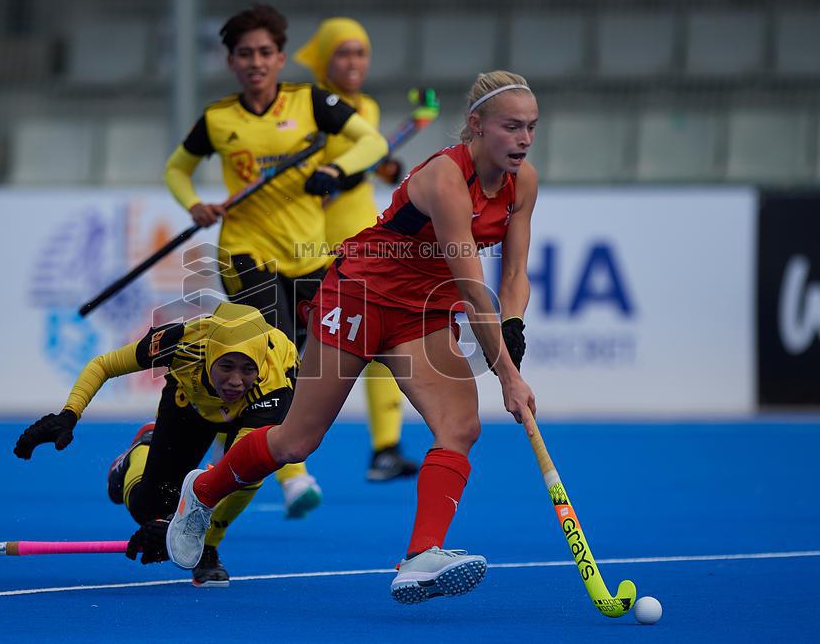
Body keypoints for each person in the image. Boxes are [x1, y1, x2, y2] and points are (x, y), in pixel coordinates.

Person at [162, 70, 540, 604]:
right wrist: (508, 374)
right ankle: (200, 493)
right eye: (511, 127)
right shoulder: (445, 180)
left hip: (419, 313)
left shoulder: (523, 182)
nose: (523, 140)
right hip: (358, 294)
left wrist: (513, 327)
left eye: (531, 128)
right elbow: (472, 286)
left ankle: (419, 558)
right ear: (476, 126)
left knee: (460, 426)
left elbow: (514, 275)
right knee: (296, 440)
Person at [163, 4, 388, 516]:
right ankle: (293, 475)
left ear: (281, 58)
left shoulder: (311, 102)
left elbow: (371, 142)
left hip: (308, 255)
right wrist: (194, 204)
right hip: (244, 252)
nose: (256, 62)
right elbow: (176, 170)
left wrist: (335, 167)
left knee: (297, 366)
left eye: (266, 53)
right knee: (276, 352)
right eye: (245, 54)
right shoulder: (219, 119)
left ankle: (222, 455)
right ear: (231, 62)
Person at [13, 302, 302, 587]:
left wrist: (177, 528)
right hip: (190, 402)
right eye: (226, 366)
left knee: (246, 476)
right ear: (210, 353)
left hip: (251, 412)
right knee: (148, 508)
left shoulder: (276, 385)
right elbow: (104, 365)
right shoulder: (183, 342)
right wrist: (69, 415)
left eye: (247, 369)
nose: (236, 381)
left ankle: (208, 549)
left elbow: (230, 472)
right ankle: (139, 451)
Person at [293, 17, 417, 482]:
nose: (353, 62)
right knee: (292, 349)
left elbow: (357, 166)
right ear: (324, 58)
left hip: (362, 240)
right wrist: (342, 175)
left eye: (360, 53)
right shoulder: (307, 109)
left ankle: (385, 448)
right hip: (309, 243)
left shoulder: (366, 106)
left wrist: (380, 168)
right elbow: (316, 181)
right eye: (343, 53)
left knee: (380, 339)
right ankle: (260, 444)